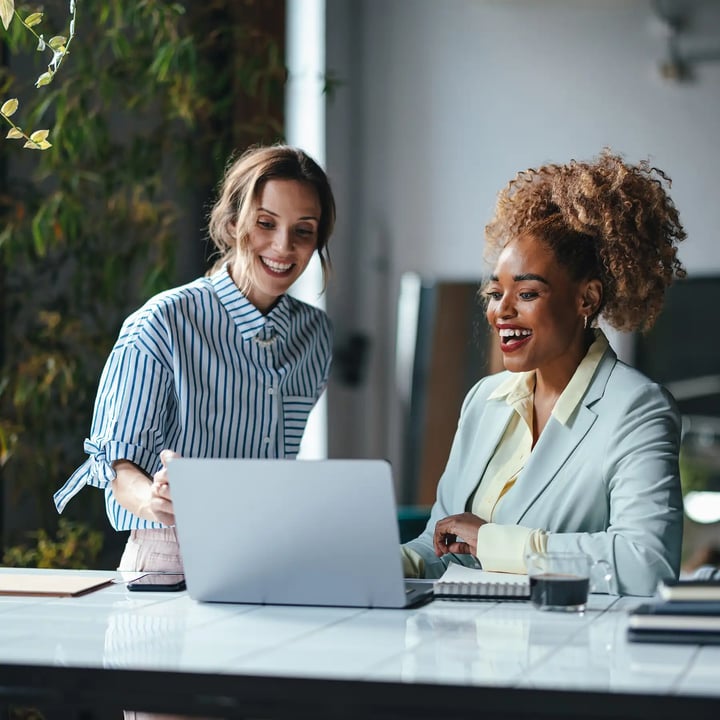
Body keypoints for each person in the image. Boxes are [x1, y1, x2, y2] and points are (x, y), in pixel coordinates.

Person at [402, 149, 687, 596]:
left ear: (586, 299)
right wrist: (379, 561)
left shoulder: (636, 408)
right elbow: (442, 545)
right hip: (467, 648)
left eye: (528, 292)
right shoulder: (484, 400)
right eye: (497, 292)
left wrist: (495, 543)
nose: (502, 310)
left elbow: (645, 563)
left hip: (567, 650)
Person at [54, 144, 336, 576]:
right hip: (171, 554)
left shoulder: (315, 336)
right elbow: (114, 465)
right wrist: (154, 499)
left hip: (271, 552)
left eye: (304, 230)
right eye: (265, 223)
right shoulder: (162, 322)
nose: (284, 246)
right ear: (230, 223)